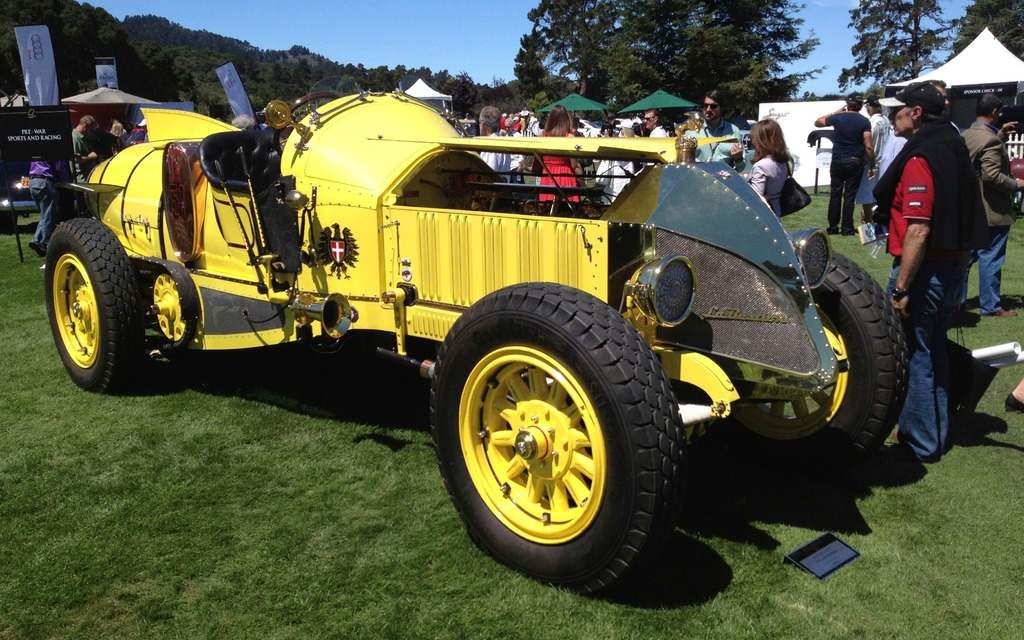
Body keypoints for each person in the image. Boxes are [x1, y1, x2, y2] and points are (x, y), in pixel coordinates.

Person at [874, 81, 989, 463]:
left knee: (916, 356)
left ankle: (919, 443)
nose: (893, 116)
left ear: (917, 113)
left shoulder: (923, 156)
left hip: (925, 272)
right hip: (951, 267)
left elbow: (918, 228)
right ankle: (934, 434)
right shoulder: (954, 147)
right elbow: (970, 217)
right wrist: (959, 277)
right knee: (933, 351)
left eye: (899, 109)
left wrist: (902, 286)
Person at [960, 93, 1024, 318]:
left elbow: (980, 159)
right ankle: (991, 305)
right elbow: (992, 175)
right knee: (991, 257)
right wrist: (1018, 183)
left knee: (967, 258)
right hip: (991, 209)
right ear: (995, 112)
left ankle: (958, 301)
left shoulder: (967, 134)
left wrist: (1000, 135)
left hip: (970, 206)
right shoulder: (991, 139)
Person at [815, 93, 875, 236]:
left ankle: (833, 226)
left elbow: (818, 122)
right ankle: (847, 228)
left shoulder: (837, 118)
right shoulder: (864, 121)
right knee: (850, 195)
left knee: (835, 193)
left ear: (847, 104)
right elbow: (869, 146)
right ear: (860, 106)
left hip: (838, 158)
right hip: (855, 159)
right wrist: (872, 164)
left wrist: (836, 112)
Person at [684, 89, 746, 171]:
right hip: (697, 179)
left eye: (713, 106)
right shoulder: (691, 131)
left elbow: (741, 168)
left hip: (723, 180)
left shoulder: (734, 131)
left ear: (722, 108)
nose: (708, 109)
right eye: (706, 105)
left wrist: (738, 159)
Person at [27, 160, 74, 258]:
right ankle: (47, 244)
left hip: (32, 182)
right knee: (49, 216)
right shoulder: (53, 150)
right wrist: (68, 182)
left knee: (45, 214)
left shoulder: (36, 152)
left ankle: (36, 240)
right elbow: (60, 168)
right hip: (45, 182)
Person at [536, 104, 582, 205]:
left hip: (547, 178)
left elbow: (537, 165)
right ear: (566, 119)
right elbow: (574, 166)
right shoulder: (569, 138)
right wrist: (583, 183)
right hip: (566, 178)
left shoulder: (542, 137)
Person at [745, 119, 791, 217]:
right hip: (777, 211)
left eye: (754, 138)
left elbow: (756, 198)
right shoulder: (783, 162)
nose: (752, 141)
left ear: (762, 140)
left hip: (763, 217)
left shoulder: (761, 165)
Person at [855, 97, 888, 223]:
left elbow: (869, 144)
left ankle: (869, 224)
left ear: (870, 107)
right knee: (878, 194)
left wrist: (871, 164)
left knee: (867, 195)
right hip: (884, 161)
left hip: (871, 161)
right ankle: (878, 220)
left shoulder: (871, 123)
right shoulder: (886, 121)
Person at [477, 105, 511, 176]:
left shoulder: (490, 147)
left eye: (479, 122)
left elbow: (488, 175)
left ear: (483, 125)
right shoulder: (502, 142)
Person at [71, 115, 100, 183]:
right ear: (85, 127)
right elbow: (75, 160)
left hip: (87, 178)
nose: (91, 134)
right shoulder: (75, 138)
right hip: (81, 180)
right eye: (91, 131)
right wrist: (90, 157)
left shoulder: (82, 138)